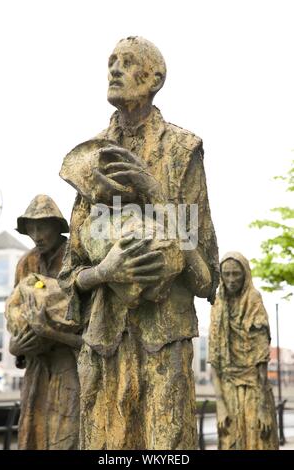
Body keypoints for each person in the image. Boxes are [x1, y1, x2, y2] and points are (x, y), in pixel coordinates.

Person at [59, 36, 219, 450]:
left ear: (155, 78)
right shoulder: (89, 157)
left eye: (127, 63)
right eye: (111, 61)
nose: (114, 69)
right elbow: (69, 273)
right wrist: (103, 272)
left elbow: (205, 277)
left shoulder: (183, 151)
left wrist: (155, 195)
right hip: (104, 343)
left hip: (163, 342)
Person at [5, 195, 81, 450]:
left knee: (67, 434)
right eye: (31, 228)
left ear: (56, 225)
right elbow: (16, 311)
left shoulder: (75, 257)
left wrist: (50, 329)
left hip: (68, 360)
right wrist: (16, 348)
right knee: (33, 434)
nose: (36, 234)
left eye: (42, 226)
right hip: (36, 366)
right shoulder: (26, 263)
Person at [209, 251, 279, 450]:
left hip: (256, 391)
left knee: (259, 441)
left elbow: (261, 359)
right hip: (228, 389)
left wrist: (264, 407)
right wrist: (220, 405)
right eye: (226, 274)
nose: (231, 280)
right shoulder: (218, 304)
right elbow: (214, 360)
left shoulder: (254, 301)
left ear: (245, 274)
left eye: (236, 274)